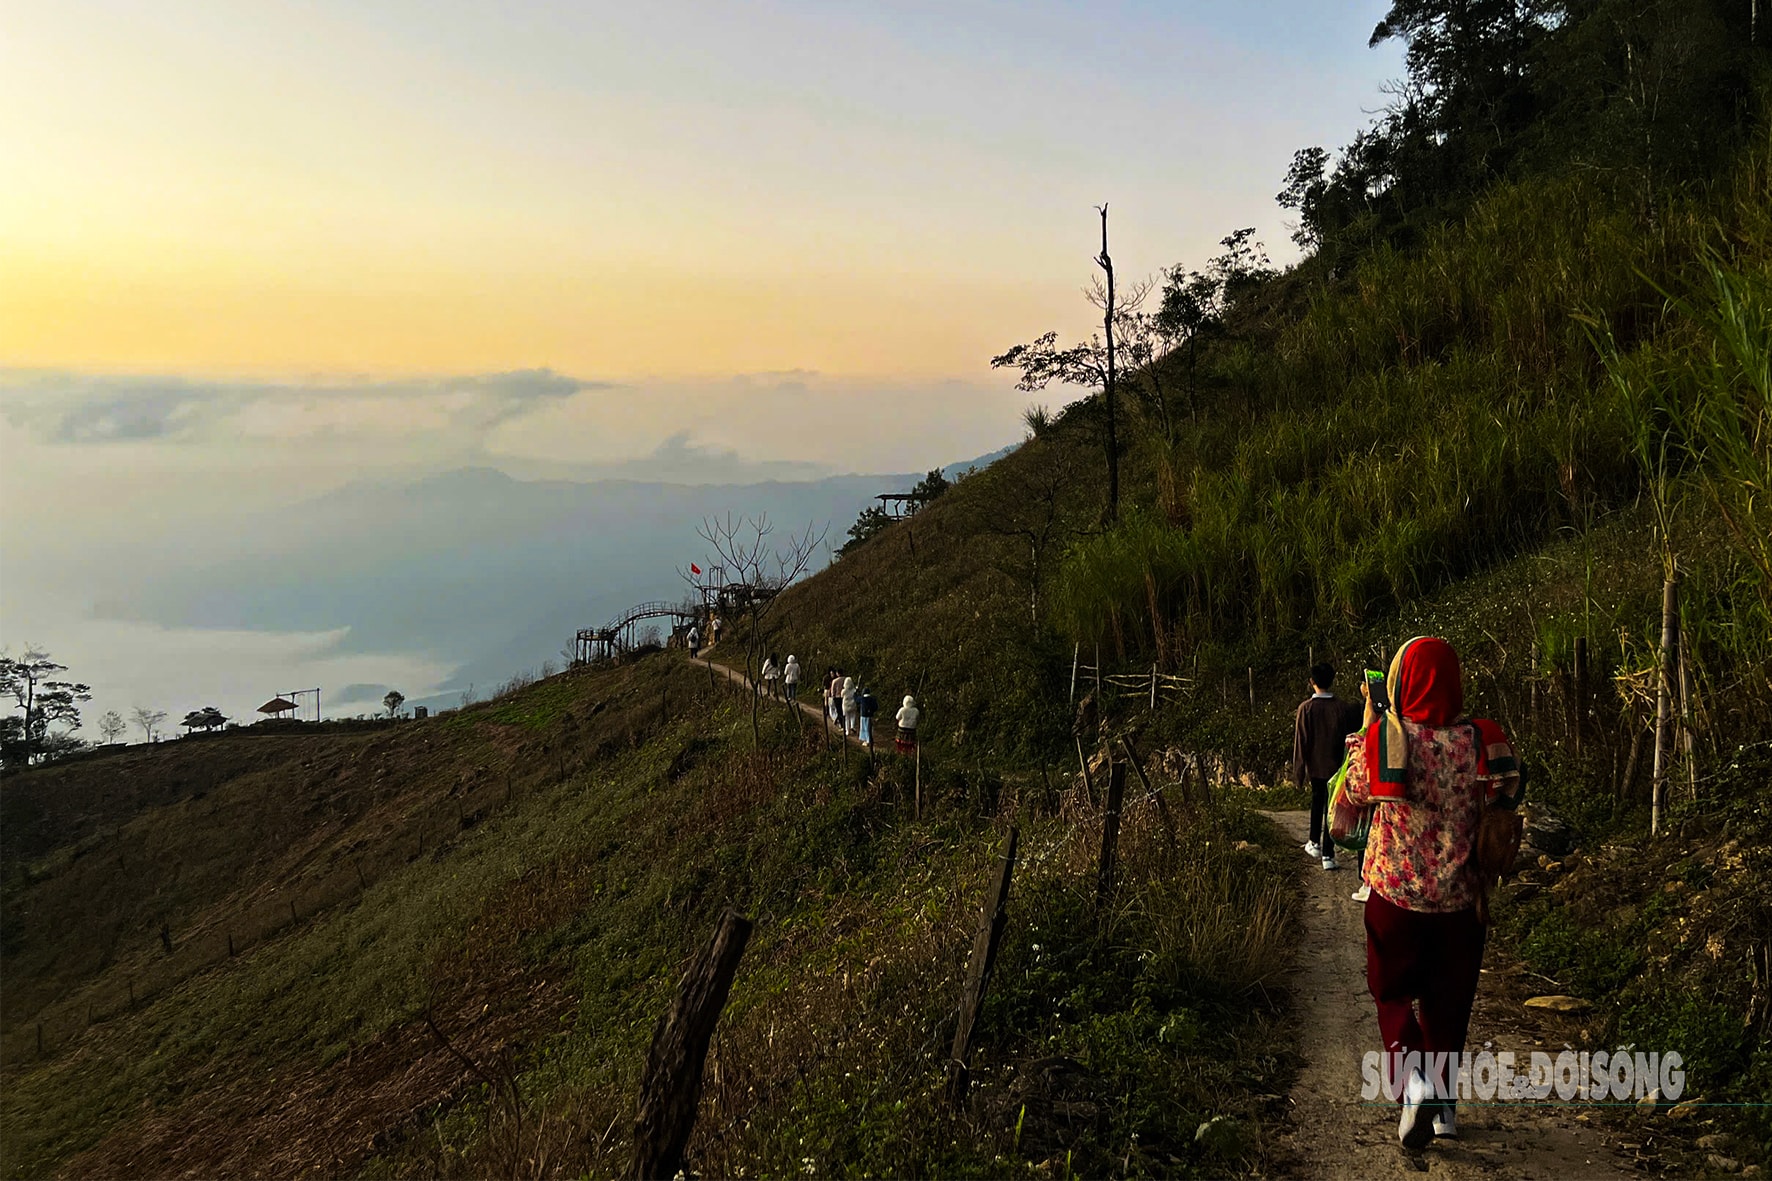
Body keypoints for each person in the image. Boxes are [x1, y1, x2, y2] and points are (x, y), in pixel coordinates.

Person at [1341, 636, 1521, 1150]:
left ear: (1402, 680)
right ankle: (1443, 1110)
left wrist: (1373, 719)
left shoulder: (1389, 739)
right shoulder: (1480, 740)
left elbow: (1353, 792)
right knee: (1449, 1002)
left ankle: (1412, 1084)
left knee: (1393, 993)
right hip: (1462, 904)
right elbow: (1508, 790)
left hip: (1395, 899)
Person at [1292, 662, 1362, 872]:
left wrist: (1299, 773)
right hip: (1337, 767)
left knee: (1317, 802)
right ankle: (1328, 855)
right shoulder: (1341, 707)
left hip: (1315, 767)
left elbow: (1300, 741)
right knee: (1331, 810)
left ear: (1312, 682)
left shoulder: (1306, 708)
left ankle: (1314, 842)